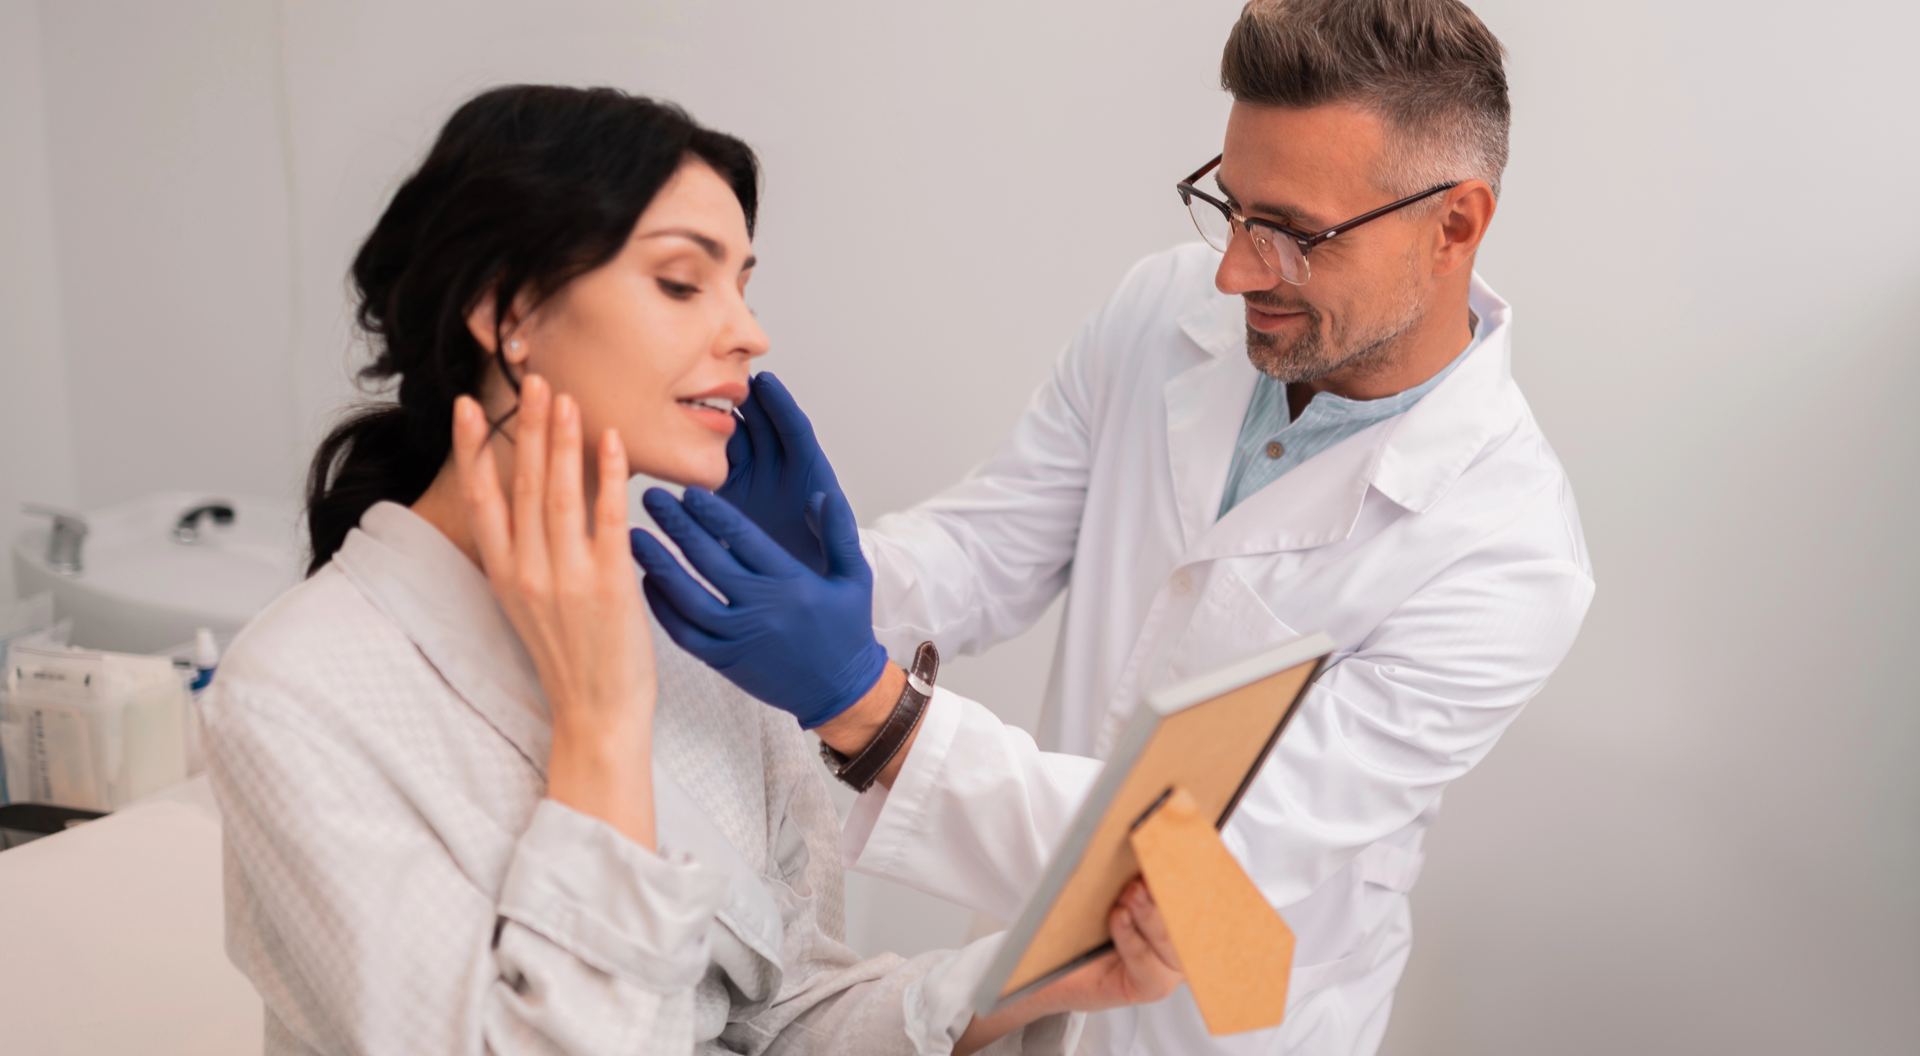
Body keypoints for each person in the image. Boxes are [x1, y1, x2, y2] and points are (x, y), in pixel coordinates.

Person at [628, 2, 1596, 1054]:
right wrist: (839, 578)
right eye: (1230, 207)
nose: (1234, 269)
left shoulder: (1507, 552)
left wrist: (870, 707)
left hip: (1218, 1023)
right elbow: (997, 544)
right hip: (1021, 982)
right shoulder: (1163, 310)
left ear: (1454, 224)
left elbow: (1203, 857)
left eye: (1292, 234)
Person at [201, 85, 1184, 1056]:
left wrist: (1019, 978)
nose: (749, 333)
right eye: (682, 283)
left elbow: (788, 1015)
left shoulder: (697, 636)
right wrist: (600, 729)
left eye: (743, 286)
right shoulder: (297, 694)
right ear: (508, 313)